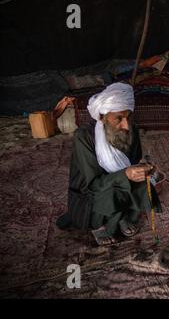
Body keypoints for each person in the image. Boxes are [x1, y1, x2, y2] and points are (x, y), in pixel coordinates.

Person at [56, 82, 161, 245]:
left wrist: (145, 167)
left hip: (119, 181)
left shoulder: (131, 129)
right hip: (92, 193)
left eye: (128, 117)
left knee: (144, 181)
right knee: (115, 191)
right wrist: (125, 175)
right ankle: (100, 225)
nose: (125, 125)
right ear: (103, 117)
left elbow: (135, 162)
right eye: (118, 118)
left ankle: (125, 217)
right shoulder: (84, 137)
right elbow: (93, 184)